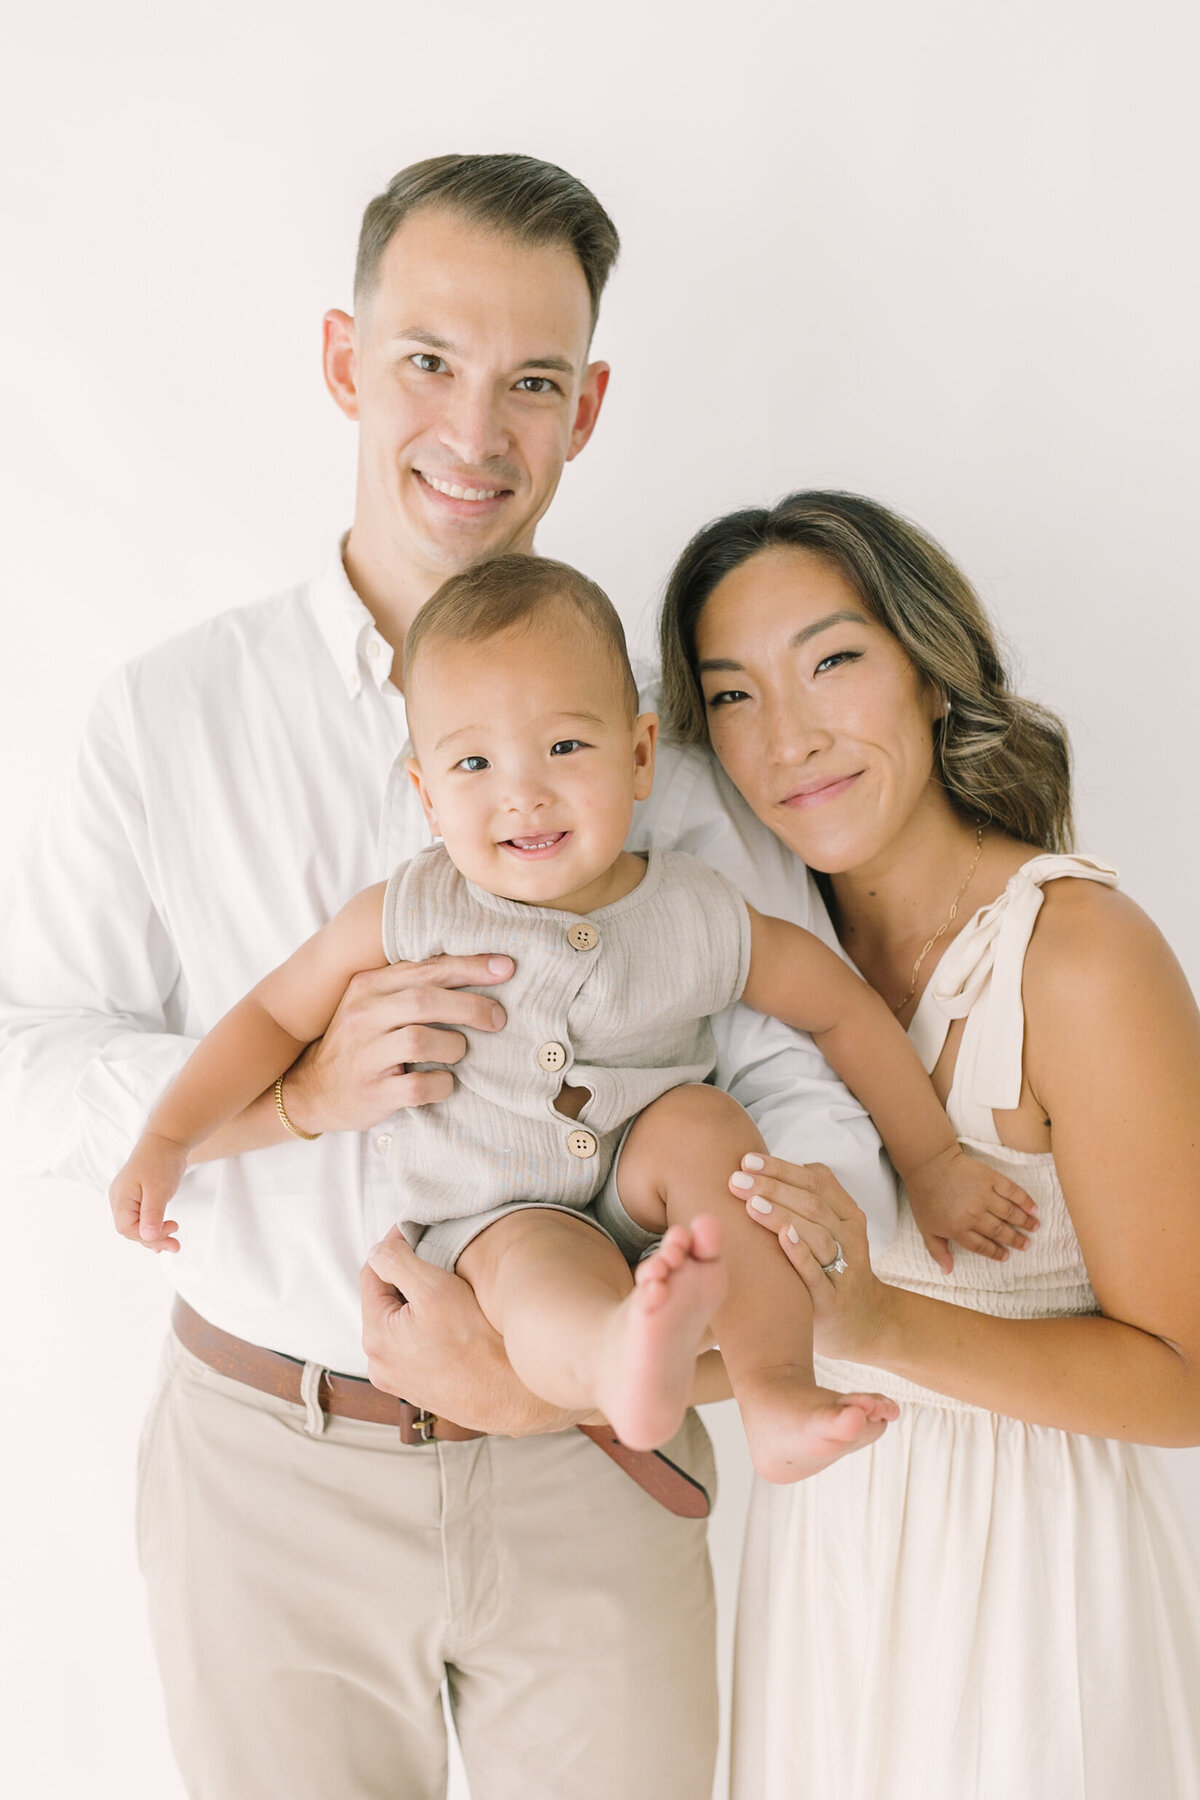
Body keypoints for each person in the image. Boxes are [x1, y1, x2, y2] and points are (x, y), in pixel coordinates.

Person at [0, 157, 896, 1799]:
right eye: (428, 361)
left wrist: (652, 1365)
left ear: (587, 407)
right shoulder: (169, 716)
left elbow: (810, 1101)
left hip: (598, 1471)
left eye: (532, 382)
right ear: (346, 362)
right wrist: (287, 1097)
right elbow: (22, 1069)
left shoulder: (650, 749)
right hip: (264, 1472)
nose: (476, 434)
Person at [110, 552, 1041, 1480]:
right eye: (474, 762)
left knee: (711, 1129)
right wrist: (171, 1135)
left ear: (639, 757)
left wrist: (933, 1160)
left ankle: (776, 1396)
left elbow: (842, 1009)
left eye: (564, 748)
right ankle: (619, 1356)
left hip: (651, 1185)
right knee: (539, 1269)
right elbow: (272, 1016)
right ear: (427, 795)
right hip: (494, 1212)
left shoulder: (695, 908)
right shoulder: (412, 909)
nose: (524, 792)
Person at [654, 487, 1200, 1799]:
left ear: (931, 672)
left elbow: (1186, 1379)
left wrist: (881, 1329)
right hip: (827, 1578)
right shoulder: (753, 984)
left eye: (831, 661)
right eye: (732, 697)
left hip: (1031, 1590)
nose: (788, 736)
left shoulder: (1071, 956)